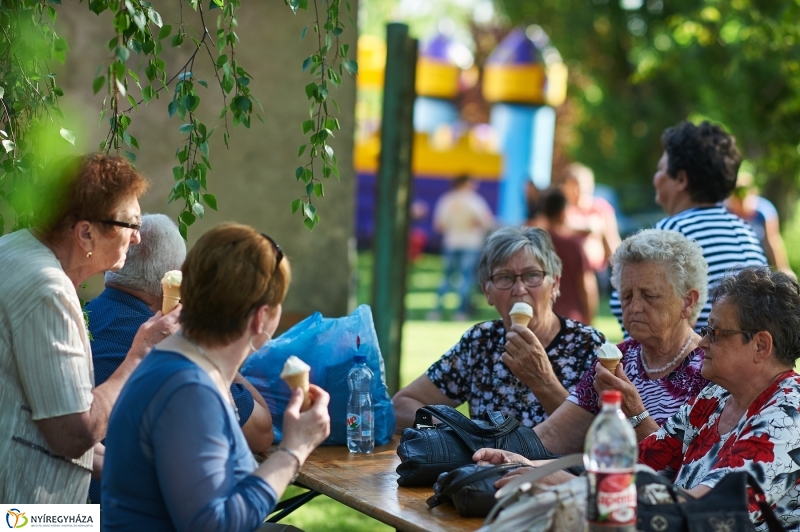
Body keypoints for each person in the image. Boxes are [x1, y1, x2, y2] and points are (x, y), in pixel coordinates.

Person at [477, 267, 800, 531]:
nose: (702, 343)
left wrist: (574, 486)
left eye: (715, 333)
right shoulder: (716, 396)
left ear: (761, 345)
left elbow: (705, 512)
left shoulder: (788, 415)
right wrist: (529, 465)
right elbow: (643, 462)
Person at [102, 223, 331, 531]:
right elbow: (213, 524)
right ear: (261, 317)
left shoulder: (181, 362)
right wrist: (294, 449)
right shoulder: (188, 389)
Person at [0, 154, 179, 503]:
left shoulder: (13, 249)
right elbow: (75, 434)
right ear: (86, 233)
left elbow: (51, 416)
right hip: (29, 517)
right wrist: (141, 353)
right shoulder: (48, 290)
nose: (137, 239)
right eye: (131, 225)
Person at [85, 214, 274, 505]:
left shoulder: (80, 319)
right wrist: (213, 349)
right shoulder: (175, 349)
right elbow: (261, 432)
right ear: (174, 282)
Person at [394, 226, 606, 430]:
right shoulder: (481, 342)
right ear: (487, 292)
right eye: (505, 277)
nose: (519, 289)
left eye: (532, 275)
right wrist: (461, 434)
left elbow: (597, 436)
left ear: (554, 285)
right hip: (486, 457)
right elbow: (401, 407)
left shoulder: (588, 345)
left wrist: (543, 381)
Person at [609, 121, 767, 333]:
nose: (656, 178)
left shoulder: (670, 232)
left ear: (681, 179)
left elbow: (624, 305)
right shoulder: (745, 231)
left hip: (698, 351)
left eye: (660, 169)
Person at [430, 174, 495, 320]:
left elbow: (439, 225)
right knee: (466, 278)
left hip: (451, 243)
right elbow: (487, 222)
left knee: (447, 277)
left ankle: (436, 310)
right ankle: (461, 312)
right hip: (470, 244)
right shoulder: (474, 200)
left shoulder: (447, 200)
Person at [541, 188, 598, 325]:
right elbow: (587, 285)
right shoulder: (573, 245)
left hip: (541, 318)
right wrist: (590, 320)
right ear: (563, 213)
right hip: (571, 319)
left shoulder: (536, 245)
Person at [561, 163, 621, 281]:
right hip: (568, 271)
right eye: (574, 185)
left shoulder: (600, 208)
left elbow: (612, 239)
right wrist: (586, 228)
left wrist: (620, 266)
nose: (579, 190)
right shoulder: (562, 210)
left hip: (597, 271)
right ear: (565, 187)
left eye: (583, 185)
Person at [725, 172, 793, 276]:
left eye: (744, 192)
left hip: (759, 265)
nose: (741, 197)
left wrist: (783, 269)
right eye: (737, 192)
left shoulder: (764, 210)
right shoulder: (726, 210)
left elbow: (772, 241)